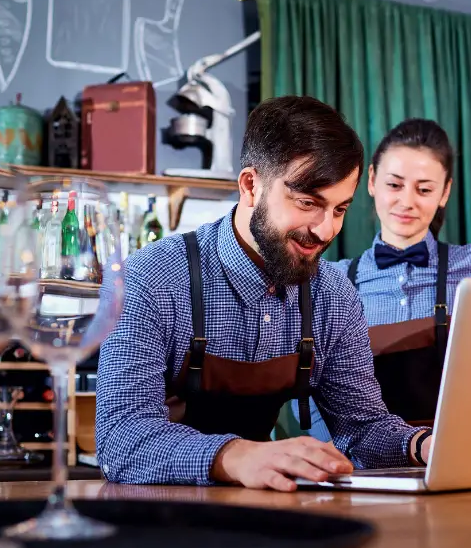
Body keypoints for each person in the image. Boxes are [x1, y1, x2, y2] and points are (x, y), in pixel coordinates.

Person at [96, 96, 434, 493]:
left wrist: (424, 445)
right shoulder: (151, 277)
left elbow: (363, 429)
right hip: (160, 520)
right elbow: (120, 439)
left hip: (268, 508)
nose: (325, 231)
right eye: (308, 203)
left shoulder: (334, 296)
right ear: (251, 186)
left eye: (339, 209)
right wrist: (234, 455)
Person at [296, 118, 471, 441]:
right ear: (371, 181)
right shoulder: (332, 282)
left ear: (445, 193)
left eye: (425, 189)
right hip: (361, 469)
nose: (407, 201)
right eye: (394, 185)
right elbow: (307, 391)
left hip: (459, 453)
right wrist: (340, 452)